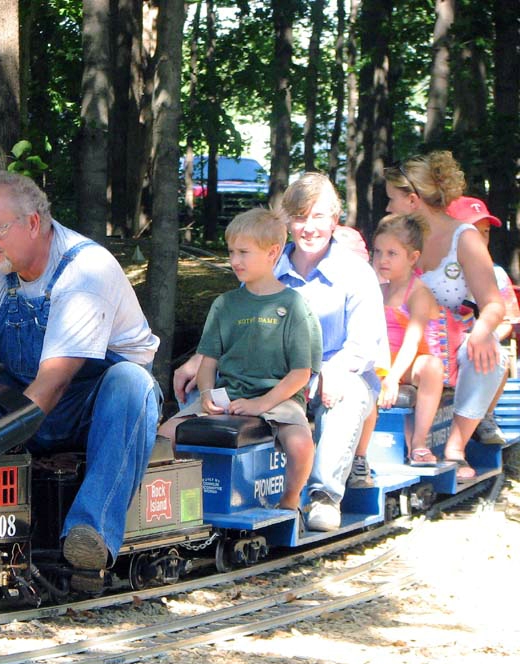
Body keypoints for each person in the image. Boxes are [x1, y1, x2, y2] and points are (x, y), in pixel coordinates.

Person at [0, 172, 160, 591]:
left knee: (131, 383)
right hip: (27, 400)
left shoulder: (85, 271)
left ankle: (90, 535)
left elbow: (54, 384)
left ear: (33, 222)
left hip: (90, 410)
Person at [172, 173, 386, 531]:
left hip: (335, 374)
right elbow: (238, 326)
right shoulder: (267, 264)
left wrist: (332, 370)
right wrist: (197, 361)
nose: (309, 227)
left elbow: (364, 347)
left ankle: (324, 495)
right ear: (287, 221)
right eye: (300, 217)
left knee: (344, 396)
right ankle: (208, 489)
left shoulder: (356, 273)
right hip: (269, 376)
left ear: (334, 220)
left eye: (318, 217)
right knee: (196, 387)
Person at [158, 208, 321, 510]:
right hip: (230, 395)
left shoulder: (294, 306)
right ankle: (185, 505)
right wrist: (206, 393)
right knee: (163, 439)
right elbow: (209, 362)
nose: (235, 261)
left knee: (300, 445)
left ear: (273, 252)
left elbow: (301, 373)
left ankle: (289, 500)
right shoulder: (225, 304)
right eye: (232, 252)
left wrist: (261, 405)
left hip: (280, 398)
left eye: (244, 253)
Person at [384, 153, 506, 480]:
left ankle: (456, 445)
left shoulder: (463, 238)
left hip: (447, 340)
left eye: (391, 199)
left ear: (412, 200)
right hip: (400, 337)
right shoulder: (396, 237)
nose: (387, 208)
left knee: (489, 353)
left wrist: (481, 333)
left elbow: (494, 303)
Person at [445, 195, 520, 444]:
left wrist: (485, 336)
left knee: (495, 353)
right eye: (470, 232)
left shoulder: (495, 273)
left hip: (475, 344)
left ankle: (484, 415)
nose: (479, 240)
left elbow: (508, 321)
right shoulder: (435, 269)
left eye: (484, 232)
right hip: (441, 343)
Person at [371, 214, 444, 464]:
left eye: (392, 253)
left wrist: (392, 378)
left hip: (409, 364)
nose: (382, 259)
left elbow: (412, 342)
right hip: (381, 362)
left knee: (433, 367)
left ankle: (419, 442)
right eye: (378, 252)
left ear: (413, 258)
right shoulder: (376, 289)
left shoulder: (418, 293)